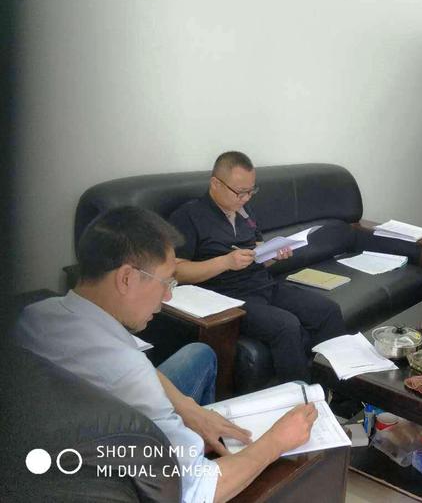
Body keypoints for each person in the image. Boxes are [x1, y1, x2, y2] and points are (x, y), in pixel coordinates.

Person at [15, 206, 317, 503]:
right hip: (132, 462)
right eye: (166, 281)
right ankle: (198, 450)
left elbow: (129, 363)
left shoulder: (35, 315)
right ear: (126, 278)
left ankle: (194, 436)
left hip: (76, 435)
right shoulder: (128, 372)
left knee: (200, 354)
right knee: (295, 398)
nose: (168, 295)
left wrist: (188, 408)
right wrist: (276, 442)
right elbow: (197, 491)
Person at [168, 151, 346, 384]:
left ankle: (336, 389)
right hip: (227, 298)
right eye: (240, 192)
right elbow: (176, 271)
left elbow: (258, 255)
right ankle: (300, 398)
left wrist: (274, 254)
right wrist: (225, 262)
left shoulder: (245, 212)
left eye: (251, 191)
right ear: (215, 183)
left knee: (328, 310)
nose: (246, 198)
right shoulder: (189, 216)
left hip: (263, 284)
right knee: (286, 326)